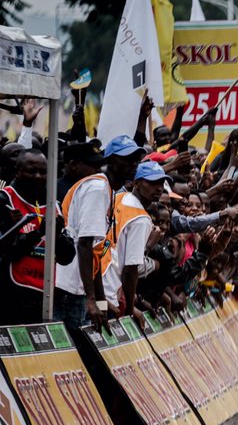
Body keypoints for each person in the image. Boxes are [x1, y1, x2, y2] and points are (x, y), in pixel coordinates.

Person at [57, 134, 145, 332]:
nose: (134, 164)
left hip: (79, 288)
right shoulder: (97, 188)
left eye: (136, 159)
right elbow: (84, 245)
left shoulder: (109, 190)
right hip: (69, 288)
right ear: (111, 161)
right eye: (127, 158)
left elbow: (96, 253)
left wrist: (102, 302)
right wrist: (92, 300)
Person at [0, 149, 75, 326]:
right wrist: (38, 233)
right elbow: (5, 252)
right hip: (9, 296)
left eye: (43, 172)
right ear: (18, 171)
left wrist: (57, 235)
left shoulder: (53, 205)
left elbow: (66, 257)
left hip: (43, 296)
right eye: (31, 171)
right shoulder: (5, 200)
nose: (38, 176)